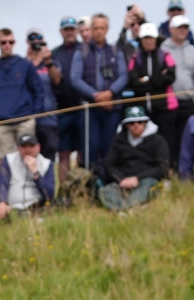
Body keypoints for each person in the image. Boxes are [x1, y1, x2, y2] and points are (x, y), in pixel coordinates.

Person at [71, 13, 130, 180]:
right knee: (91, 147)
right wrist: (96, 96)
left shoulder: (115, 51)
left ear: (107, 29)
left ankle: (109, 181)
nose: (98, 31)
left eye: (102, 28)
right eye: (95, 28)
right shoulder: (81, 52)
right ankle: (90, 185)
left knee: (109, 146)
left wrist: (109, 93)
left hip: (112, 108)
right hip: (89, 109)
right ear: (90, 29)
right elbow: (75, 78)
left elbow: (123, 76)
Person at [0, 28, 44, 159]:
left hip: (24, 120)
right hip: (1, 123)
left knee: (28, 158)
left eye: (10, 42)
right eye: (4, 42)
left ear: (14, 43)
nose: (7, 45)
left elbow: (38, 91)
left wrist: (35, 116)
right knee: (5, 163)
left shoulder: (25, 65)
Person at [99, 106, 170, 210]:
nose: (136, 125)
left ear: (146, 122)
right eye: (132, 123)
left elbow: (162, 167)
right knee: (106, 190)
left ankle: (128, 208)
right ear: (126, 124)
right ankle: (120, 210)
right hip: (122, 181)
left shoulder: (158, 141)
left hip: (146, 179)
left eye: (140, 121)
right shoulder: (118, 140)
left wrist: (137, 178)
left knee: (147, 187)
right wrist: (121, 179)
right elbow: (109, 164)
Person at [129, 22, 180, 158]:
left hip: (165, 108)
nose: (148, 41)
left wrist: (147, 80)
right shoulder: (136, 58)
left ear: (156, 39)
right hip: (145, 109)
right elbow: (134, 82)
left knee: (167, 140)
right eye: (145, 38)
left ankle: (168, 171)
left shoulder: (165, 55)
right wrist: (156, 80)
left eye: (151, 38)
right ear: (141, 40)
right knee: (146, 143)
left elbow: (170, 77)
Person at [52, 17, 86, 184]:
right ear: (61, 32)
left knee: (82, 151)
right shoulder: (55, 53)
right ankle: (65, 191)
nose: (69, 32)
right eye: (66, 29)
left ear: (77, 30)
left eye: (72, 29)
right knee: (63, 152)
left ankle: (80, 189)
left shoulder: (85, 49)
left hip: (82, 107)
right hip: (63, 109)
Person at [0, 133, 56, 220]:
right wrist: (2, 202)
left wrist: (36, 173)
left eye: (31, 146)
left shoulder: (46, 163)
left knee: (59, 204)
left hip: (36, 206)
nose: (27, 150)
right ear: (18, 148)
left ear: (38, 147)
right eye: (24, 146)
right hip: (13, 207)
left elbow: (49, 194)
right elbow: (3, 183)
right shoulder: (8, 160)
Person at [162, 14, 194, 167]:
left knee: (186, 140)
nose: (183, 31)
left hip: (189, 102)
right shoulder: (162, 49)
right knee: (170, 140)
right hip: (169, 102)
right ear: (171, 29)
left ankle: (185, 174)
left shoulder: (192, 50)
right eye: (179, 27)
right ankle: (171, 171)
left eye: (185, 27)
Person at [25, 28, 62, 160]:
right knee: (29, 157)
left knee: (48, 157)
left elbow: (57, 80)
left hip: (49, 119)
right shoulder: (24, 65)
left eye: (39, 38)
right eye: (32, 39)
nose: (36, 42)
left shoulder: (52, 62)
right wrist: (31, 62)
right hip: (29, 120)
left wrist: (47, 61)